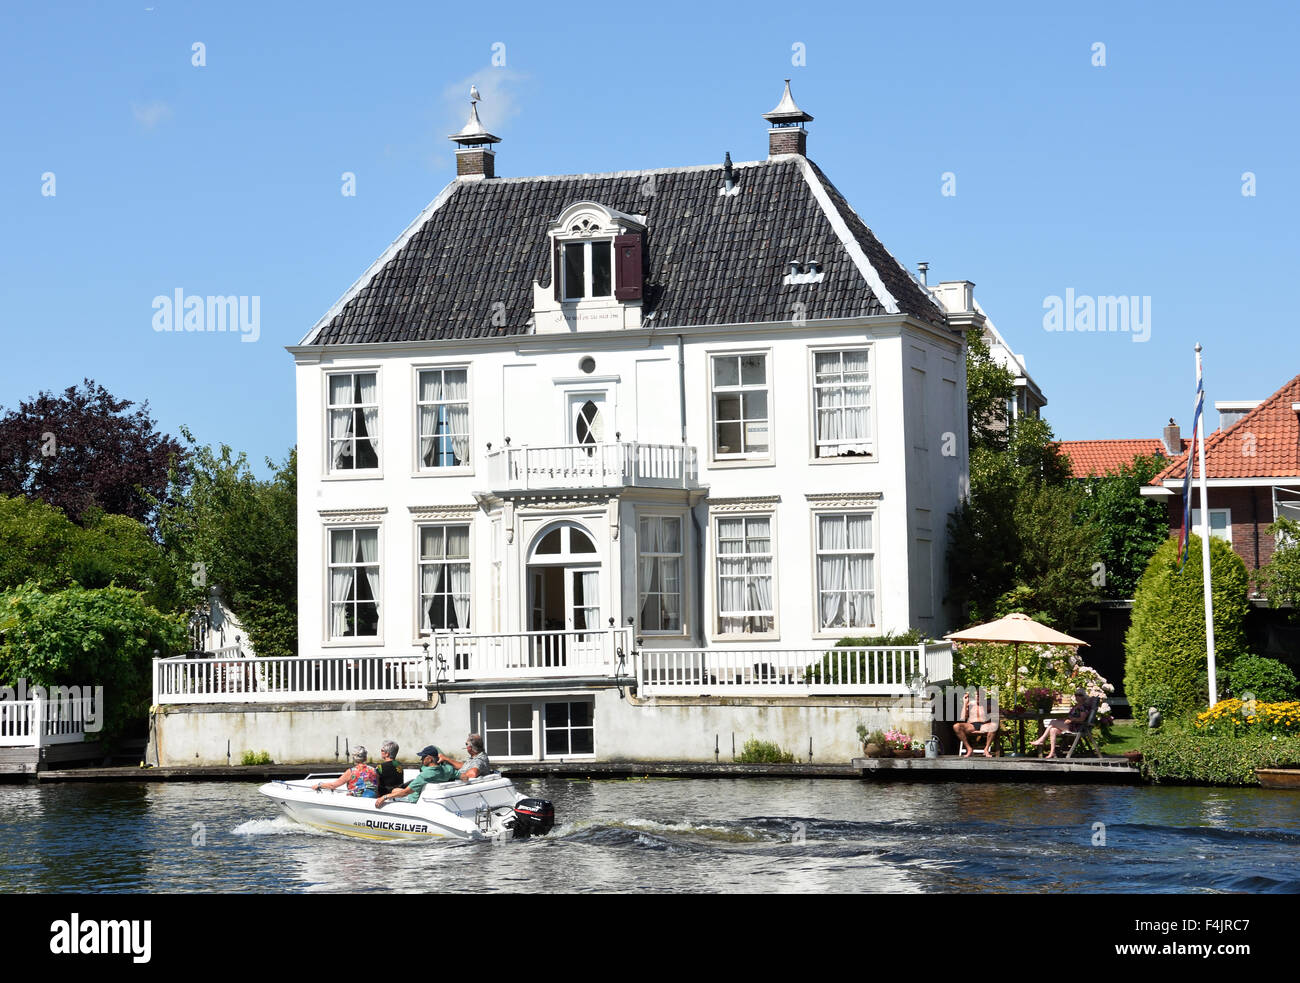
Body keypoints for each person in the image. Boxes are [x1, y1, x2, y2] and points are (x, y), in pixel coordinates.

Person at [374, 745, 459, 808]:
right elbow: (461, 774)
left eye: (423, 757)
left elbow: (405, 792)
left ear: (429, 759)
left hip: (412, 799)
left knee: (393, 792)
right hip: (422, 795)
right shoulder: (447, 770)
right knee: (395, 790)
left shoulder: (424, 775)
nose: (421, 759)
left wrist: (384, 797)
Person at [1030, 688, 1092, 758]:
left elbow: (1082, 719)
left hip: (1077, 726)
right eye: (1076, 695)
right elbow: (1070, 716)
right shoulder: (1076, 706)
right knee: (1053, 729)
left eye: (1080, 695)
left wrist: (1072, 720)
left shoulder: (1083, 707)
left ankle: (1042, 739)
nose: (1077, 697)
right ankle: (1052, 752)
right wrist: (1063, 719)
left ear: (1084, 697)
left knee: (1052, 722)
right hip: (1070, 724)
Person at [313, 747, 379, 798]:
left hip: (356, 800)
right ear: (366, 757)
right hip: (372, 799)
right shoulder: (373, 770)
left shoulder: (351, 771)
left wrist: (320, 785)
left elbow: (333, 785)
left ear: (354, 757)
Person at [953, 691, 999, 758]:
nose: (978, 696)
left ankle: (986, 749)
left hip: (984, 725)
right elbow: (963, 717)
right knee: (956, 726)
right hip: (972, 725)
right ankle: (969, 748)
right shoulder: (970, 704)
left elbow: (996, 711)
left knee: (994, 726)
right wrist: (965, 703)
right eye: (977, 695)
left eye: (980, 695)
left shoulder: (987, 704)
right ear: (974, 696)